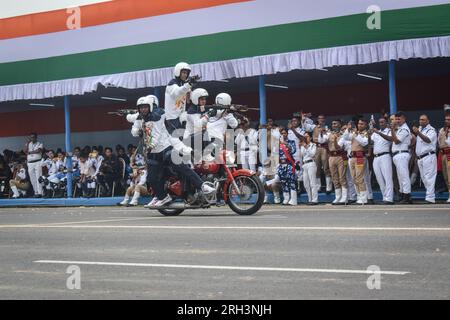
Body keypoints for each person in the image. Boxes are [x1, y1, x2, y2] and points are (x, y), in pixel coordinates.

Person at [131, 95, 215, 207]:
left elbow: (155, 136)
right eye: (141, 107)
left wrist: (149, 145)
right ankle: (162, 197)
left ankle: (203, 186)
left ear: (150, 106)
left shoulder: (158, 116)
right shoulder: (141, 118)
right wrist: (138, 129)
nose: (143, 109)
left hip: (166, 148)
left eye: (145, 107)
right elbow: (134, 131)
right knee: (151, 179)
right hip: (153, 154)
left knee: (182, 166)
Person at [318, 119, 348, 205]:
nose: (333, 125)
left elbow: (339, 146)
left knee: (342, 177)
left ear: (339, 125)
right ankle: (338, 197)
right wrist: (321, 133)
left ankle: (344, 197)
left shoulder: (343, 134)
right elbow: (321, 141)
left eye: (335, 124)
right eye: (332, 124)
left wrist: (334, 139)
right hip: (331, 156)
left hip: (340, 156)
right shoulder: (329, 133)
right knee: (334, 177)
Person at [203, 93, 239, 162]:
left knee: (209, 161)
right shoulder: (225, 113)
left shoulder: (211, 110)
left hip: (206, 138)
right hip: (217, 139)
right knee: (217, 162)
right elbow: (234, 124)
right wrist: (228, 114)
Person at [302, 114, 333, 194]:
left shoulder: (327, 128)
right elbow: (305, 126)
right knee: (317, 167)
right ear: (318, 120)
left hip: (324, 148)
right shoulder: (314, 127)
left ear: (324, 120)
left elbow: (328, 138)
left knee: (326, 167)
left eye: (323, 118)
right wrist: (304, 118)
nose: (321, 120)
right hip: (316, 147)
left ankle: (328, 187)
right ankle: (318, 187)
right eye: (320, 118)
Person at [342, 119, 369, 204]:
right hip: (352, 157)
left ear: (365, 125)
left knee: (359, 177)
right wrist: (348, 128)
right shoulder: (354, 133)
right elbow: (345, 137)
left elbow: (364, 143)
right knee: (354, 178)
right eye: (359, 124)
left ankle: (364, 197)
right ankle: (359, 196)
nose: (359, 125)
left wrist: (357, 135)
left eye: (362, 124)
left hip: (360, 156)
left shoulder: (366, 133)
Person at [412, 115, 437, 204]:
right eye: (420, 120)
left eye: (423, 120)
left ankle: (430, 198)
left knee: (429, 177)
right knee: (424, 178)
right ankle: (429, 195)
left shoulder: (431, 130)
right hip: (420, 158)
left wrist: (418, 132)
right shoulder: (420, 129)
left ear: (428, 121)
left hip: (429, 156)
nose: (421, 121)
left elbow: (428, 140)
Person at [371, 117, 394, 204]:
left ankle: (389, 198)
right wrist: (370, 135)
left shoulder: (389, 131)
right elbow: (369, 143)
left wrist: (378, 132)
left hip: (385, 156)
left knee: (387, 178)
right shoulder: (376, 133)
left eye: (383, 122)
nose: (381, 124)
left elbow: (391, 139)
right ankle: (385, 197)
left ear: (386, 123)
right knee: (379, 178)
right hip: (376, 157)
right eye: (380, 122)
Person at [391, 112, 413, 204]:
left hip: (402, 154)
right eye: (396, 119)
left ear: (404, 119)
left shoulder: (404, 129)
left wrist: (392, 129)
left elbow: (396, 141)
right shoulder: (400, 129)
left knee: (404, 176)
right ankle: (403, 195)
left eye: (399, 119)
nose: (397, 121)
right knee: (400, 177)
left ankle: (407, 196)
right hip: (398, 155)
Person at [278, 128, 298, 205]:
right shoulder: (278, 144)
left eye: (285, 133)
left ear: (287, 134)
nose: (283, 134)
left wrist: (285, 144)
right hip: (281, 165)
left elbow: (293, 150)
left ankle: (294, 200)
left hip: (289, 164)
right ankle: (286, 198)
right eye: (282, 133)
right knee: (283, 182)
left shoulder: (291, 142)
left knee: (291, 181)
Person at [300, 132, 319, 205]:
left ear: (310, 138)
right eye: (304, 137)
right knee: (306, 184)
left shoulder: (313, 145)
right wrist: (303, 146)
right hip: (305, 164)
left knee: (312, 183)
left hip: (311, 163)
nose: (305, 138)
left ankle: (315, 200)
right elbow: (301, 155)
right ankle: (310, 199)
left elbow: (312, 154)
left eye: (307, 137)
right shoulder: (302, 145)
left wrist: (306, 147)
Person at [23, 133, 44, 197]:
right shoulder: (28, 144)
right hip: (30, 163)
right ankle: (36, 192)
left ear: (36, 137)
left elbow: (38, 150)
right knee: (32, 178)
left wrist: (30, 152)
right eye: (31, 137)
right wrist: (27, 143)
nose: (32, 138)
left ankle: (40, 192)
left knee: (38, 177)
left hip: (37, 162)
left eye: (33, 137)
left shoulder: (40, 144)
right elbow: (24, 151)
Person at [438, 113, 450, 203]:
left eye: (449, 120)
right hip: (443, 154)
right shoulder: (442, 130)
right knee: (445, 175)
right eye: (446, 119)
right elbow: (439, 142)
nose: (447, 121)